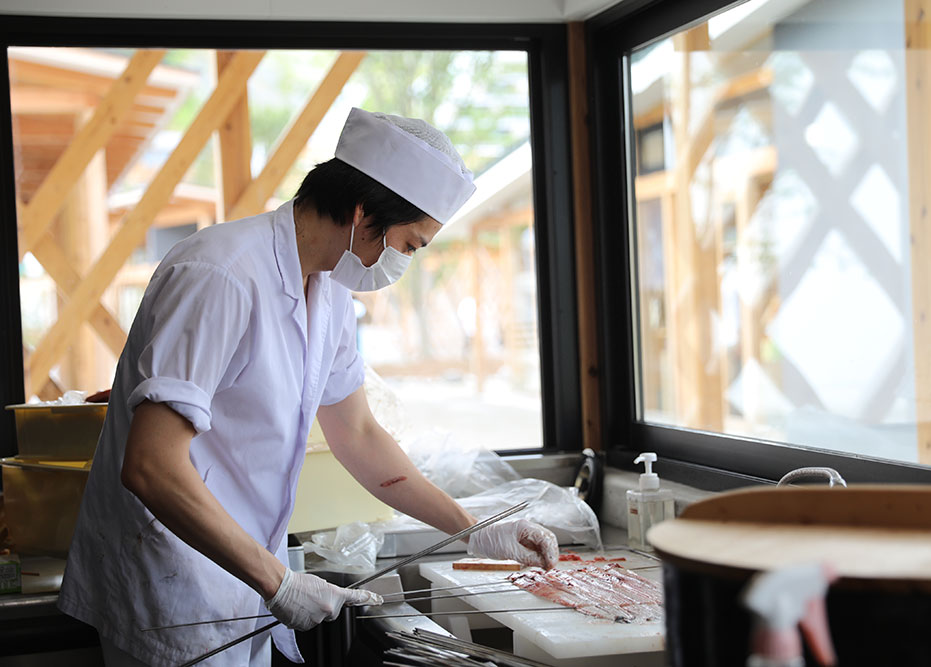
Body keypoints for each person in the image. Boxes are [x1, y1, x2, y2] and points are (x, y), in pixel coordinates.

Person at [57, 108, 559, 667]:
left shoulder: (330, 292)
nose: (404, 263)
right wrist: (280, 583)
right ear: (364, 212)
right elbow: (150, 465)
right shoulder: (220, 274)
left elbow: (359, 434)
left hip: (241, 582)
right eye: (410, 244)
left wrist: (474, 528)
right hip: (170, 583)